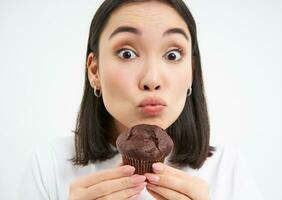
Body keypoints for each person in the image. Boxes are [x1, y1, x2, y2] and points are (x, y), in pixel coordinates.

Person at [19, 0, 264, 199]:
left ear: (192, 71)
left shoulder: (228, 168)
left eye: (172, 54)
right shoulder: (49, 164)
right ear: (94, 71)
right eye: (127, 53)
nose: (152, 79)